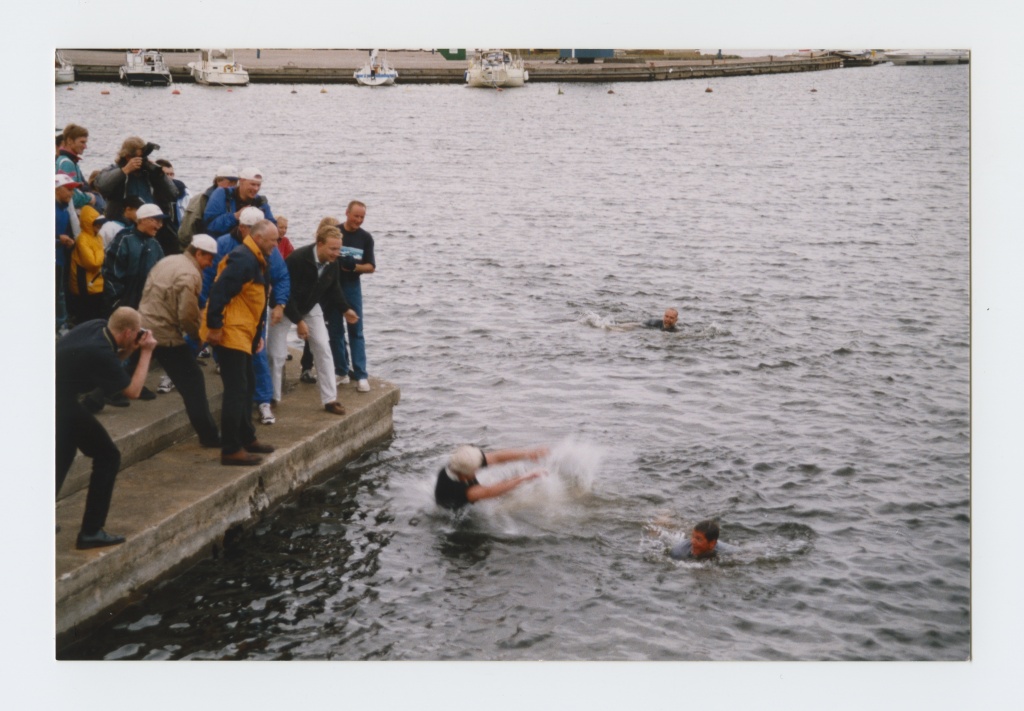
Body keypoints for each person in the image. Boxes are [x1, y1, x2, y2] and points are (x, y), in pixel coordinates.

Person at [56, 307, 158, 549]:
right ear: (127, 332)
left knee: (64, 452)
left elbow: (109, 366)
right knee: (108, 456)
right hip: (58, 403)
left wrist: (131, 348)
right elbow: (133, 391)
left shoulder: (98, 325)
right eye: (136, 334)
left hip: (52, 397)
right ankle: (91, 531)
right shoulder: (100, 351)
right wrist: (146, 352)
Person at [200, 219, 277, 466]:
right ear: (259, 238)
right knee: (236, 390)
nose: (277, 245)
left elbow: (255, 303)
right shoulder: (243, 258)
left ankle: (246, 437)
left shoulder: (256, 258)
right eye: (273, 240)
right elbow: (219, 292)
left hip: (244, 332)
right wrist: (213, 327)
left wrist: (256, 338)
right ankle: (231, 449)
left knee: (248, 383)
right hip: (229, 332)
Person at [138, 234, 222, 447]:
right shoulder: (190, 274)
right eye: (209, 259)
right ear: (198, 253)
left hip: (143, 323)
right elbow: (187, 314)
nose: (210, 264)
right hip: (164, 334)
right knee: (193, 381)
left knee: (129, 365)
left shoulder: (169, 260)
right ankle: (209, 437)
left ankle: (94, 399)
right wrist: (197, 336)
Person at [269, 225, 358, 416]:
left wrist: (345, 309)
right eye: (333, 249)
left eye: (339, 249)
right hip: (283, 305)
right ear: (319, 244)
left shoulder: (333, 263)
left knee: (323, 348)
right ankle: (272, 398)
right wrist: (299, 321)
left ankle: (330, 399)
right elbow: (286, 292)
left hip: (310, 305)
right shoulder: (298, 259)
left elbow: (334, 288)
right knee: (276, 354)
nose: (337, 253)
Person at [95, 136, 180, 255]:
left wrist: (158, 172)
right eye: (139, 157)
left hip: (148, 227)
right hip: (122, 225)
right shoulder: (114, 170)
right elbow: (102, 185)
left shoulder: (149, 173)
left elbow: (173, 192)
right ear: (128, 156)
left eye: (144, 157)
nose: (142, 160)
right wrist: (124, 171)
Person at [331, 200, 375, 393]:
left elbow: (371, 267)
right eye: (356, 216)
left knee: (356, 330)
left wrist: (354, 266)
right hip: (332, 285)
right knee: (334, 330)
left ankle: (361, 374)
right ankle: (341, 370)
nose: (358, 220)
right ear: (347, 213)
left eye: (362, 217)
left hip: (352, 285)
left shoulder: (366, 238)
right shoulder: (335, 232)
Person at [434, 445, 548, 511]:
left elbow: (496, 457)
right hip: (456, 516)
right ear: (464, 476)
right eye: (475, 470)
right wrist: (527, 477)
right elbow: (492, 491)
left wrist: (529, 454)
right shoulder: (467, 492)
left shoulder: (459, 463)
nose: (478, 471)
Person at [103, 203, 167, 311]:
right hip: (122, 305)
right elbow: (110, 274)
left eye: (161, 222)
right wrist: (117, 303)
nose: (160, 225)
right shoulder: (124, 239)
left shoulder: (155, 245)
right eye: (156, 221)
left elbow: (162, 275)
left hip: (146, 307)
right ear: (142, 220)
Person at [203, 166, 275, 239]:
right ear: (241, 181)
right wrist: (235, 216)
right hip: (223, 244)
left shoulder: (260, 201)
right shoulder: (222, 194)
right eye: (252, 184)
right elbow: (210, 226)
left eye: (258, 185)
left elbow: (273, 226)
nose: (256, 189)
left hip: (250, 245)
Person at [177, 164, 238, 249]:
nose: (234, 185)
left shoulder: (236, 199)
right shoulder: (201, 199)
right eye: (230, 182)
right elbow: (186, 231)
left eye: (236, 182)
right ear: (218, 181)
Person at [67, 204, 108, 325]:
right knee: (86, 319)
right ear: (88, 223)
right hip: (85, 286)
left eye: (100, 223)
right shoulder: (82, 239)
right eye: (96, 223)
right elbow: (93, 263)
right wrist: (101, 251)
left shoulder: (97, 237)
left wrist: (99, 253)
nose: (99, 226)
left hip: (96, 284)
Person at [55, 174, 79, 335]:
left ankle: (61, 324)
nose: (72, 193)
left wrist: (67, 240)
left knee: (60, 292)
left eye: (73, 190)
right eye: (68, 189)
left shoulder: (64, 208)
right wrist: (58, 239)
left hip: (60, 257)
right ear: (56, 189)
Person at [55, 123, 95, 210]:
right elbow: (69, 195)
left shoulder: (68, 160)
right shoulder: (67, 163)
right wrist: (90, 197)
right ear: (69, 141)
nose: (85, 146)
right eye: (82, 142)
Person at [155, 158, 190, 234]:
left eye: (172, 174)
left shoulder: (181, 189)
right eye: (166, 174)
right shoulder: (151, 189)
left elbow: (186, 212)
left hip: (175, 230)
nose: (170, 177)